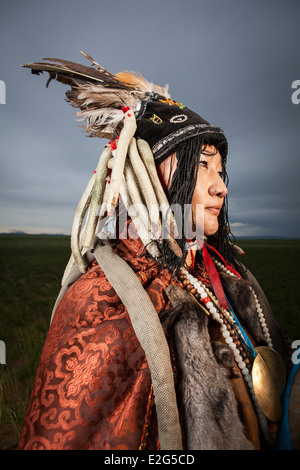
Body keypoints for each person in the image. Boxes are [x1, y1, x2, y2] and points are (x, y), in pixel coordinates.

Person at [18, 53, 294, 450]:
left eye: (221, 170)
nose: (221, 187)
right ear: (152, 173)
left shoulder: (220, 272)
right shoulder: (103, 301)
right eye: (201, 166)